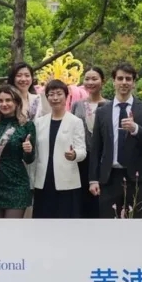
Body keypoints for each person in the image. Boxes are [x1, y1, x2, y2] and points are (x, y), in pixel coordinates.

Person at [88, 63, 142, 218]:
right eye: (120, 78)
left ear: (134, 83)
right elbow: (96, 147)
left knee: (138, 222)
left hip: (137, 177)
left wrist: (135, 129)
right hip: (109, 177)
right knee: (108, 222)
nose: (124, 82)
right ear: (113, 81)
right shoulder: (102, 111)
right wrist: (93, 179)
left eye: (128, 79)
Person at [31, 79, 86, 218]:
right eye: (51, 94)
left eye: (59, 94)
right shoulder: (39, 122)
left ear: (66, 96)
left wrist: (74, 154)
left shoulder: (75, 122)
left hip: (66, 180)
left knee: (65, 220)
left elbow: (82, 150)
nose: (55, 98)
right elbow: (35, 152)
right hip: (43, 180)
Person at [0, 85, 35, 219]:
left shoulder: (26, 125)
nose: (4, 104)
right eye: (0, 101)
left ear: (16, 102)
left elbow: (29, 159)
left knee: (12, 228)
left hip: (17, 184)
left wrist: (28, 150)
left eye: (8, 100)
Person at [72, 65, 106, 218]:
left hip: (102, 158)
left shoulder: (109, 105)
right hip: (81, 159)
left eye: (94, 79)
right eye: (87, 79)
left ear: (103, 81)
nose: (90, 82)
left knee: (100, 201)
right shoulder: (77, 105)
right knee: (81, 200)